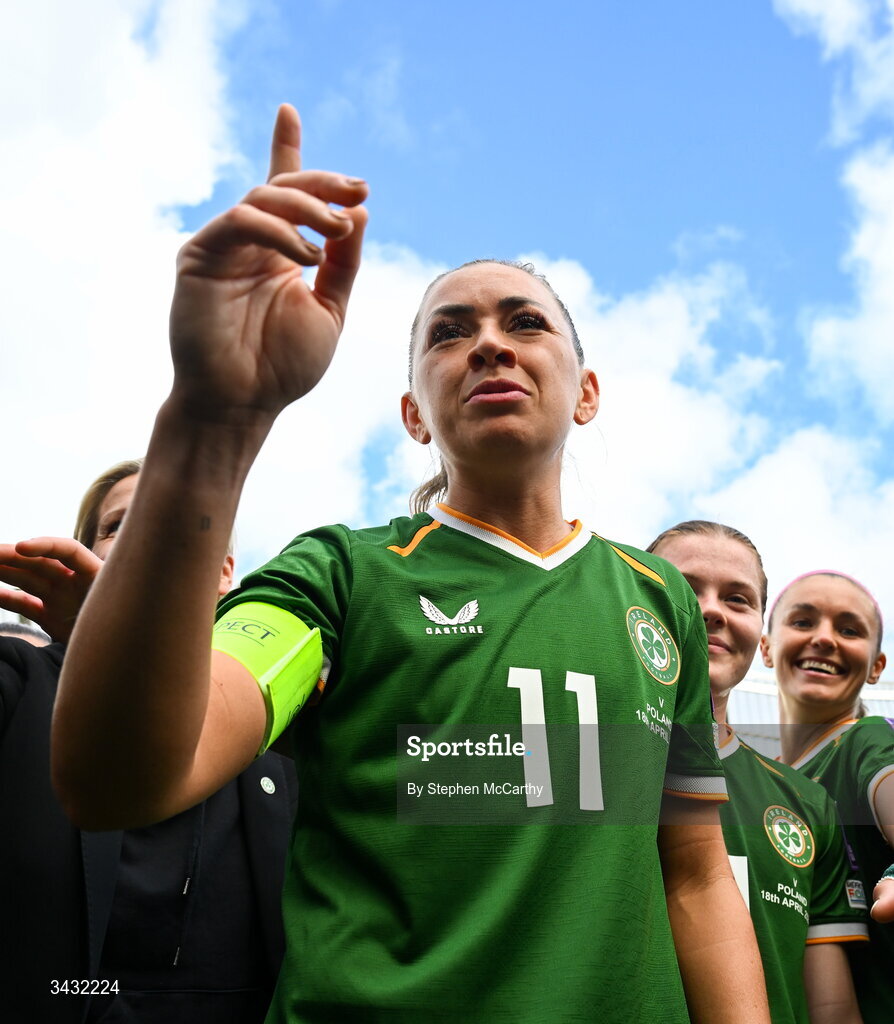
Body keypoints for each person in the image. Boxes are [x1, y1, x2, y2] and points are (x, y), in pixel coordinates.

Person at [50, 105, 771, 1023]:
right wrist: (214, 414)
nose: (490, 344)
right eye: (449, 333)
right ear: (415, 416)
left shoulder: (655, 595)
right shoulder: (342, 578)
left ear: (586, 393)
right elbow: (122, 779)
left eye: (524, 323)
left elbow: (697, 877)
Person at [0, 459, 297, 1024]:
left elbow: (501, 787)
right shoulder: (22, 680)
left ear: (225, 572)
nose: (146, 532)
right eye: (116, 526)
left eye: (178, 518)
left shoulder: (289, 727)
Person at [649, 521, 867, 1024]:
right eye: (684, 588)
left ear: (760, 630)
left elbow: (830, 1006)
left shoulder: (807, 803)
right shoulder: (584, 756)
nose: (710, 610)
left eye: (739, 599)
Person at [764, 571, 892, 1023]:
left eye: (849, 629)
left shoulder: (868, 741)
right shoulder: (762, 782)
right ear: (766, 646)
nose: (824, 638)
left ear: (877, 666)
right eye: (802, 622)